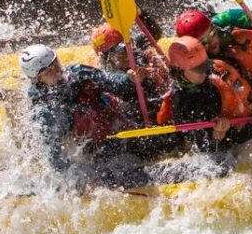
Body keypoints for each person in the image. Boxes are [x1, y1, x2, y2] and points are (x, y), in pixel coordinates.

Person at [21, 43, 154, 188]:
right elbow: (55, 158)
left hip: (113, 134)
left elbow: (112, 82)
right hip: (90, 156)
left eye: (55, 63)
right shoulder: (44, 113)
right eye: (48, 71)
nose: (57, 70)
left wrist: (131, 79)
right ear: (37, 80)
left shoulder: (79, 73)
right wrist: (80, 179)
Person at [154, 36, 252, 150]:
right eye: (198, 70)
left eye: (205, 66)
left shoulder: (214, 67)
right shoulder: (184, 103)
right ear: (180, 70)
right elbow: (202, 147)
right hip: (237, 136)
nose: (204, 72)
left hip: (251, 111)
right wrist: (217, 135)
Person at [91, 22, 168, 99]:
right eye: (120, 51)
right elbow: (116, 85)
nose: (127, 53)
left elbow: (155, 33)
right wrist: (131, 79)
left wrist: (140, 13)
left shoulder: (136, 48)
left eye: (127, 46)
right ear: (107, 59)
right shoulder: (103, 73)